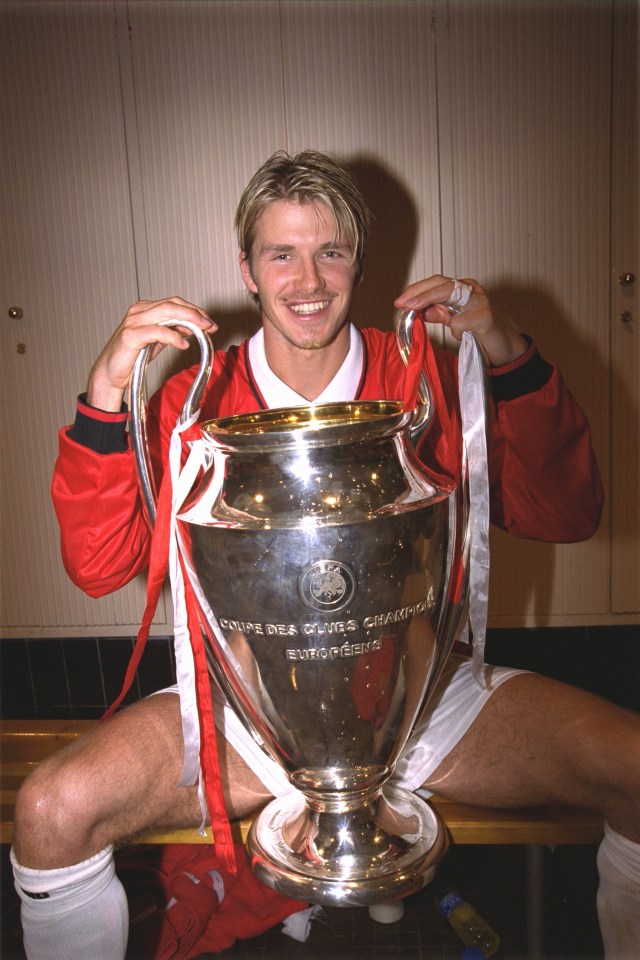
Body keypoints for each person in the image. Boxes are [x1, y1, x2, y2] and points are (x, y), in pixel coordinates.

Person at [11, 151, 639, 960]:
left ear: (359, 262)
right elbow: (100, 564)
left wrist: (501, 343)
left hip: (419, 699)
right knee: (52, 811)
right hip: (247, 712)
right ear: (247, 268)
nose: (308, 279)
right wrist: (106, 390)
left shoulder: (421, 378)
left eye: (331, 251)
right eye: (282, 253)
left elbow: (564, 511)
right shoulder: (196, 399)